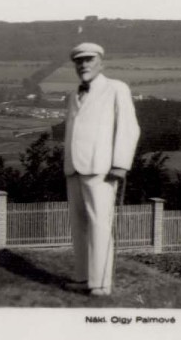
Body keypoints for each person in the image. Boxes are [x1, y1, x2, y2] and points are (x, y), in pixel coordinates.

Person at [63, 42, 140, 296]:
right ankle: (83, 278)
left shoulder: (116, 88)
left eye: (89, 59)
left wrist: (120, 164)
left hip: (102, 169)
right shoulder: (73, 95)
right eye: (79, 61)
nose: (83, 64)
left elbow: (129, 127)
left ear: (101, 63)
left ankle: (101, 284)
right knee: (79, 226)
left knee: (100, 224)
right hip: (74, 168)